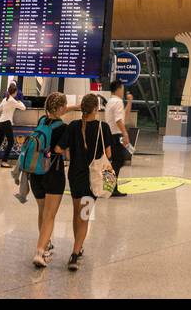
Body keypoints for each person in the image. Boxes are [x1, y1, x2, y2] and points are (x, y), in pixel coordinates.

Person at [60, 93, 116, 271]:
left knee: (77, 213)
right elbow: (108, 155)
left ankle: (79, 245)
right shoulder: (103, 127)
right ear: (96, 109)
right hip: (93, 179)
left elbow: (61, 149)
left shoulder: (73, 126)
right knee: (84, 216)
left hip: (75, 175)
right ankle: (75, 254)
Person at [30, 93, 69, 269]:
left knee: (42, 211)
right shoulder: (64, 128)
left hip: (35, 172)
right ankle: (39, 251)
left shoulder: (41, 121)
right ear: (61, 108)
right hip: (54, 172)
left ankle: (45, 246)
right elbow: (63, 151)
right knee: (50, 215)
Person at [103, 81, 131, 197]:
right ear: (119, 89)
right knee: (118, 160)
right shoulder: (118, 101)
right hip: (116, 135)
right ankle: (111, 188)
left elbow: (124, 117)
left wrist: (129, 102)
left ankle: (110, 187)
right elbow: (119, 120)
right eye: (122, 88)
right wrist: (125, 134)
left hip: (110, 135)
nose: (123, 91)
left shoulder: (110, 101)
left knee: (115, 161)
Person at [0, 82, 24, 166]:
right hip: (7, 122)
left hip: (0, 122)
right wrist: (19, 102)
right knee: (11, 142)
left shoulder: (5, 99)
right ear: (15, 92)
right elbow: (23, 108)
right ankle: (4, 161)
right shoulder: (12, 100)